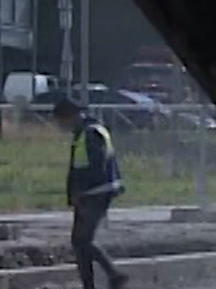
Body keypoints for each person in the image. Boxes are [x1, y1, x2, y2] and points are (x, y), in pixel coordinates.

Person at [53, 96, 129, 289]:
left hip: (95, 194)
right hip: (91, 194)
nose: (61, 125)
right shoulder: (85, 132)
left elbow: (97, 167)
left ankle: (112, 276)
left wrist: (82, 193)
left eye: (61, 120)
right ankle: (107, 278)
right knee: (81, 242)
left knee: (81, 241)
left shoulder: (91, 134)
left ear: (70, 116)